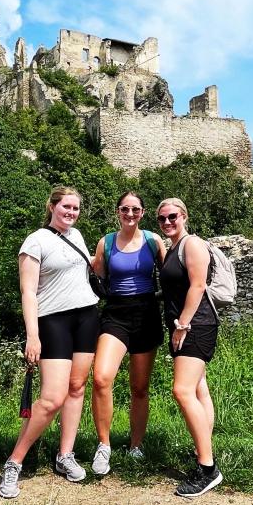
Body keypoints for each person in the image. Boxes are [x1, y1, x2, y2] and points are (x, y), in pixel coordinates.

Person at [0, 186, 100, 499]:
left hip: (86, 316)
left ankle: (64, 455)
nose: (71, 213)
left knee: (77, 388)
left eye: (76, 209)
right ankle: (14, 462)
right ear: (53, 206)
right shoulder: (36, 240)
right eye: (66, 207)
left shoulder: (77, 236)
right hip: (53, 321)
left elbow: (86, 268)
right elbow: (28, 292)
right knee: (52, 398)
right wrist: (32, 335)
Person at [90, 191, 166, 475]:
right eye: (125, 209)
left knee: (139, 388)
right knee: (101, 378)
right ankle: (104, 446)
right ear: (118, 211)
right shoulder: (106, 242)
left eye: (135, 210)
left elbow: (170, 273)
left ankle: (135, 445)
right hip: (116, 314)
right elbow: (93, 276)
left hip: (146, 312)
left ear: (143, 213)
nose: (130, 214)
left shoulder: (152, 240)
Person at [156, 198, 222, 498]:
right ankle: (202, 451)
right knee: (199, 390)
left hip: (196, 325)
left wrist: (182, 324)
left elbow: (197, 286)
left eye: (172, 216)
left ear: (184, 216)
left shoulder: (192, 244)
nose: (167, 222)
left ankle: (208, 469)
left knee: (182, 391)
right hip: (187, 325)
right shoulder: (172, 248)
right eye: (161, 219)